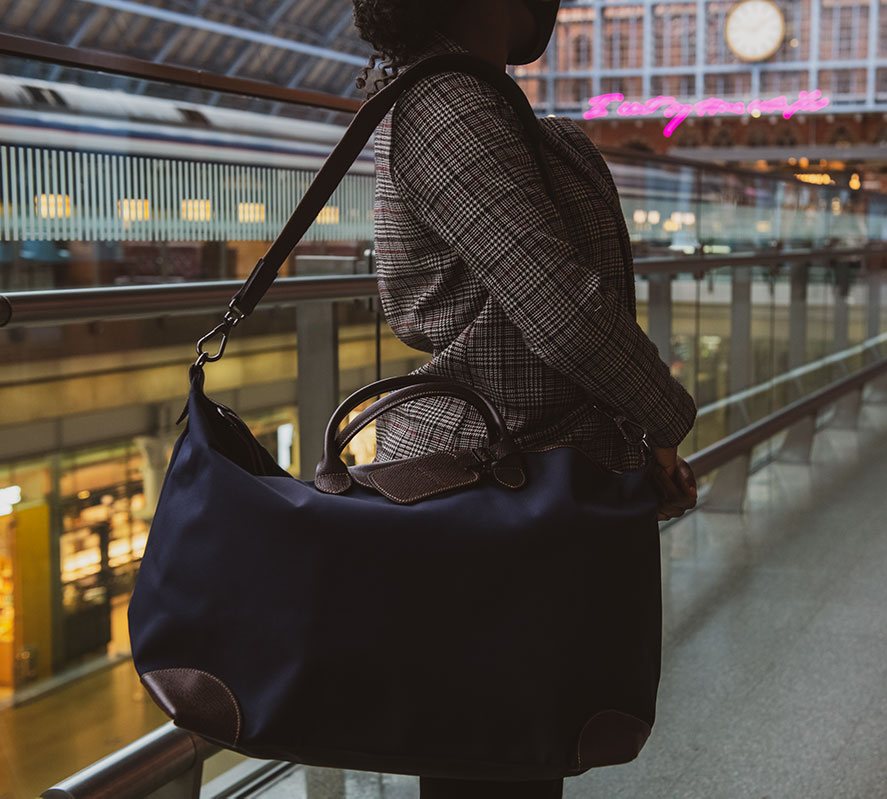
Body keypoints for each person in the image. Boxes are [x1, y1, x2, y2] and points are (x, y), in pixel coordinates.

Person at [353, 1, 699, 796]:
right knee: (492, 765)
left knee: (514, 756)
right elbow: (563, 310)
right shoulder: (444, 109)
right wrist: (666, 415)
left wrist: (635, 428)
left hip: (516, 487)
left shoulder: (477, 99)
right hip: (480, 497)